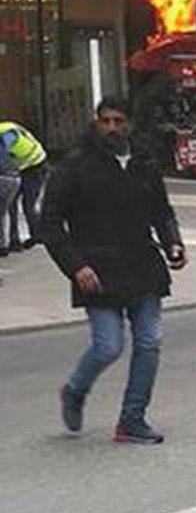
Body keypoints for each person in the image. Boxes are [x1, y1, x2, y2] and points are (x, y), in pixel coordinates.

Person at [40, 96, 187, 444]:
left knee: (150, 342)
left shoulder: (144, 163)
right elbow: (49, 224)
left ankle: (132, 419)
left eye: (119, 121)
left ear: (129, 124)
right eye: (105, 121)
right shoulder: (75, 166)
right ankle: (75, 390)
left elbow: (161, 211)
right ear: (96, 123)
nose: (112, 128)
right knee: (108, 346)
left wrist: (173, 243)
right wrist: (76, 267)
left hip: (143, 267)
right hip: (97, 271)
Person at [0, 119, 48, 248]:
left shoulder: (4, 134)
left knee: (26, 204)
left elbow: (4, 160)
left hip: (33, 167)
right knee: (15, 205)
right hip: (33, 164)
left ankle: (35, 236)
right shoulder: (8, 126)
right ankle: (17, 239)